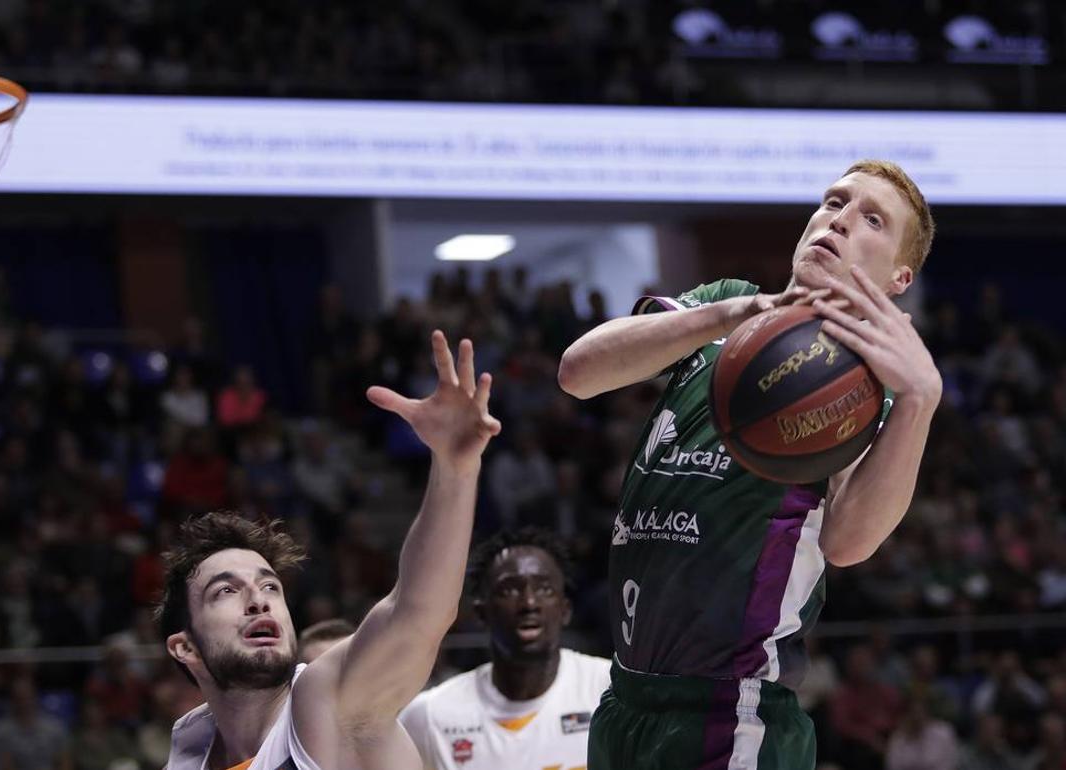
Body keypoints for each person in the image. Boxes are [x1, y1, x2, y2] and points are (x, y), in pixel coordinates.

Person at [557, 160, 941, 770]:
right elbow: (579, 373)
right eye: (833, 201)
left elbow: (849, 544)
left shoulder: (866, 386)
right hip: (626, 694)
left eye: (872, 219)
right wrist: (735, 315)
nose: (840, 220)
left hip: (731, 710)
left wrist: (919, 399)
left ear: (899, 277)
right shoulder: (723, 304)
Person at [160, 331, 501, 770]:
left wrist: (454, 469)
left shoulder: (331, 704)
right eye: (225, 591)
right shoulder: (190, 750)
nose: (259, 600)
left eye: (270, 586)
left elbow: (416, 613)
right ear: (185, 648)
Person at [400, 528, 609, 770]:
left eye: (545, 589)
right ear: (481, 613)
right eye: (509, 590)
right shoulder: (429, 716)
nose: (529, 603)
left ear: (565, 610)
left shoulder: (609, 690)